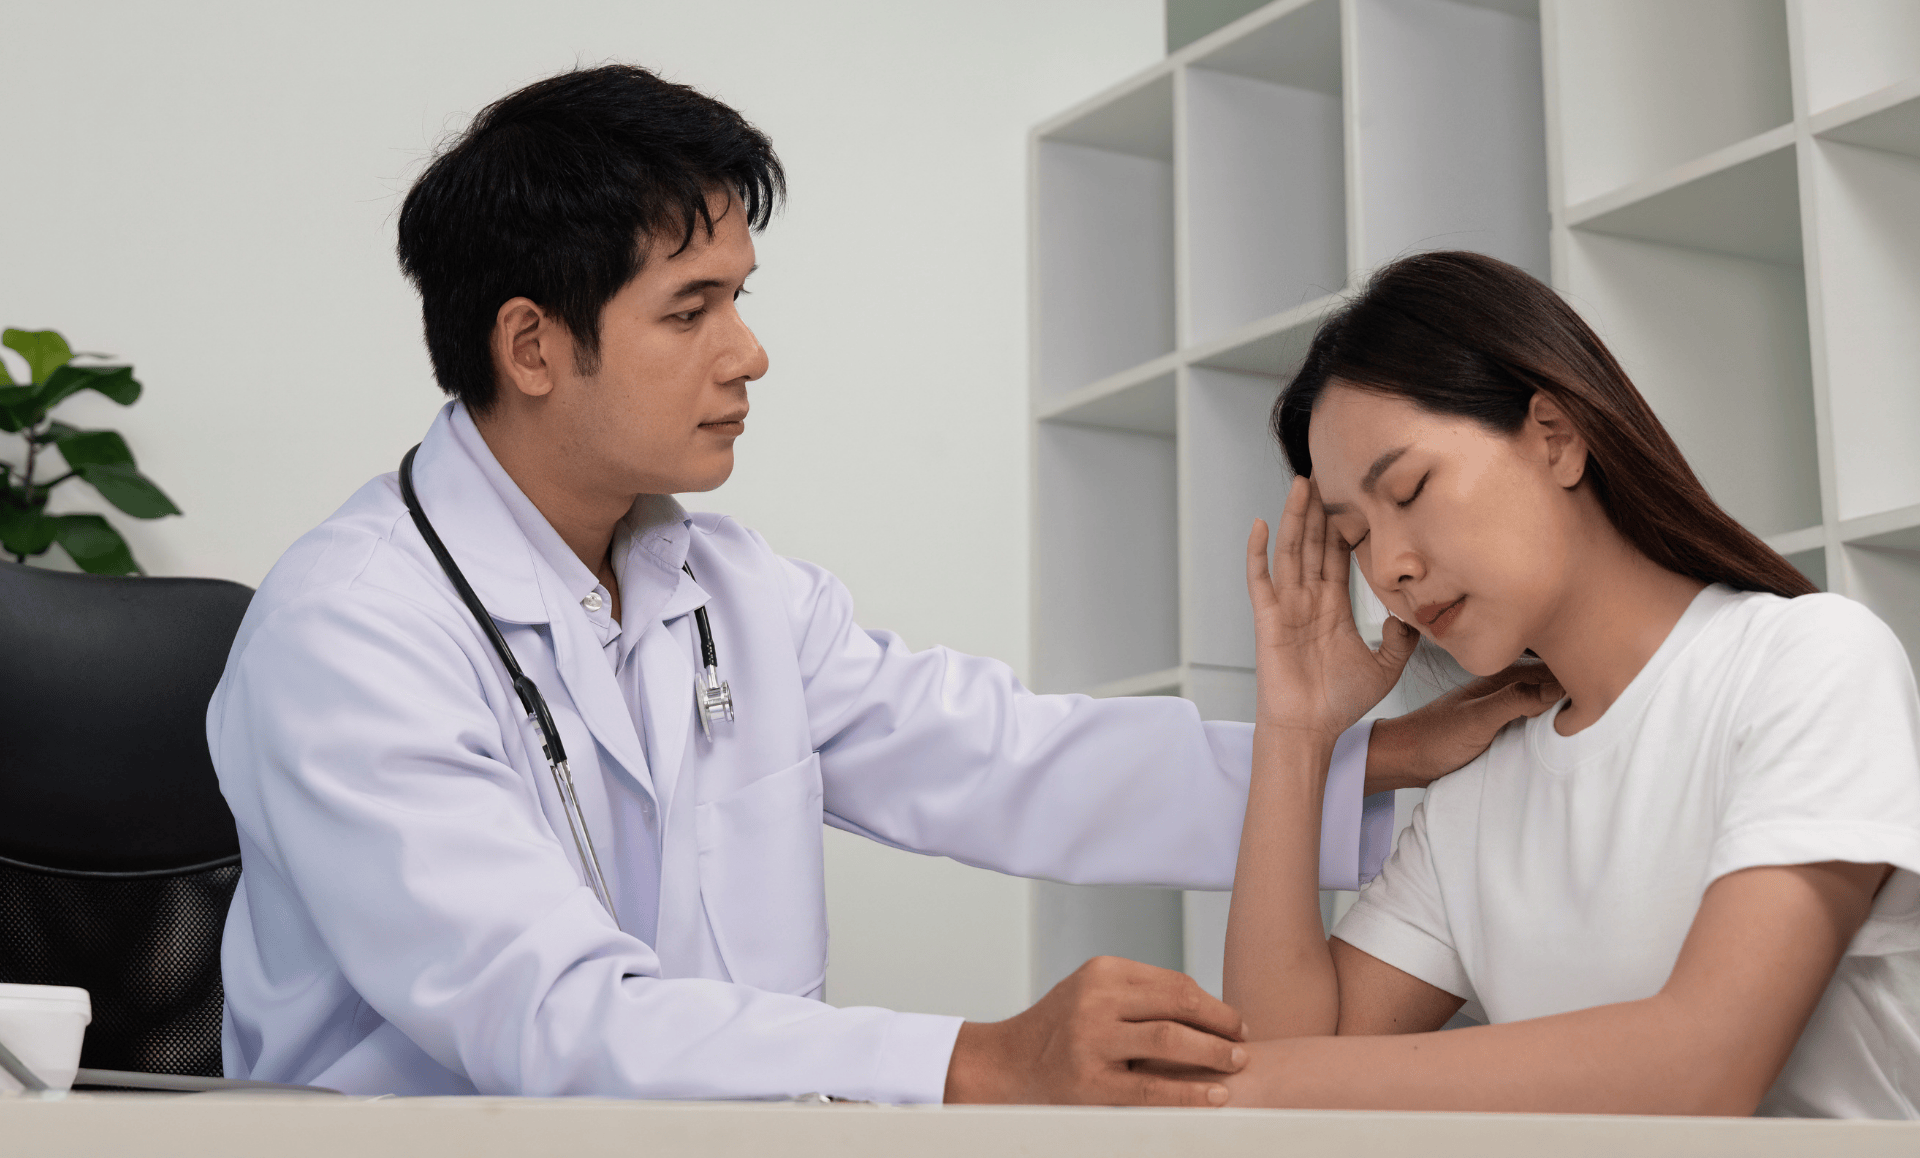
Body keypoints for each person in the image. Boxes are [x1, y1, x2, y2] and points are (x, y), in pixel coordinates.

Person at [205, 67, 1536, 1104]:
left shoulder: (723, 586)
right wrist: (987, 1063)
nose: (749, 353)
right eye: (691, 310)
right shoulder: (351, 634)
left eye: (742, 296)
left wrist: (1378, 755)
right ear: (533, 345)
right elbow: (548, 1017)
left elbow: (1010, 760)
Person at [1216, 250, 1920, 1117]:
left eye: (1411, 488)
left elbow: (1704, 1067)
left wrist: (1250, 1084)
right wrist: (1297, 733)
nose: (1391, 567)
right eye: (1356, 535)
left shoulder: (1806, 662)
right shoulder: (1479, 796)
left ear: (1555, 434)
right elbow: (1276, 1081)